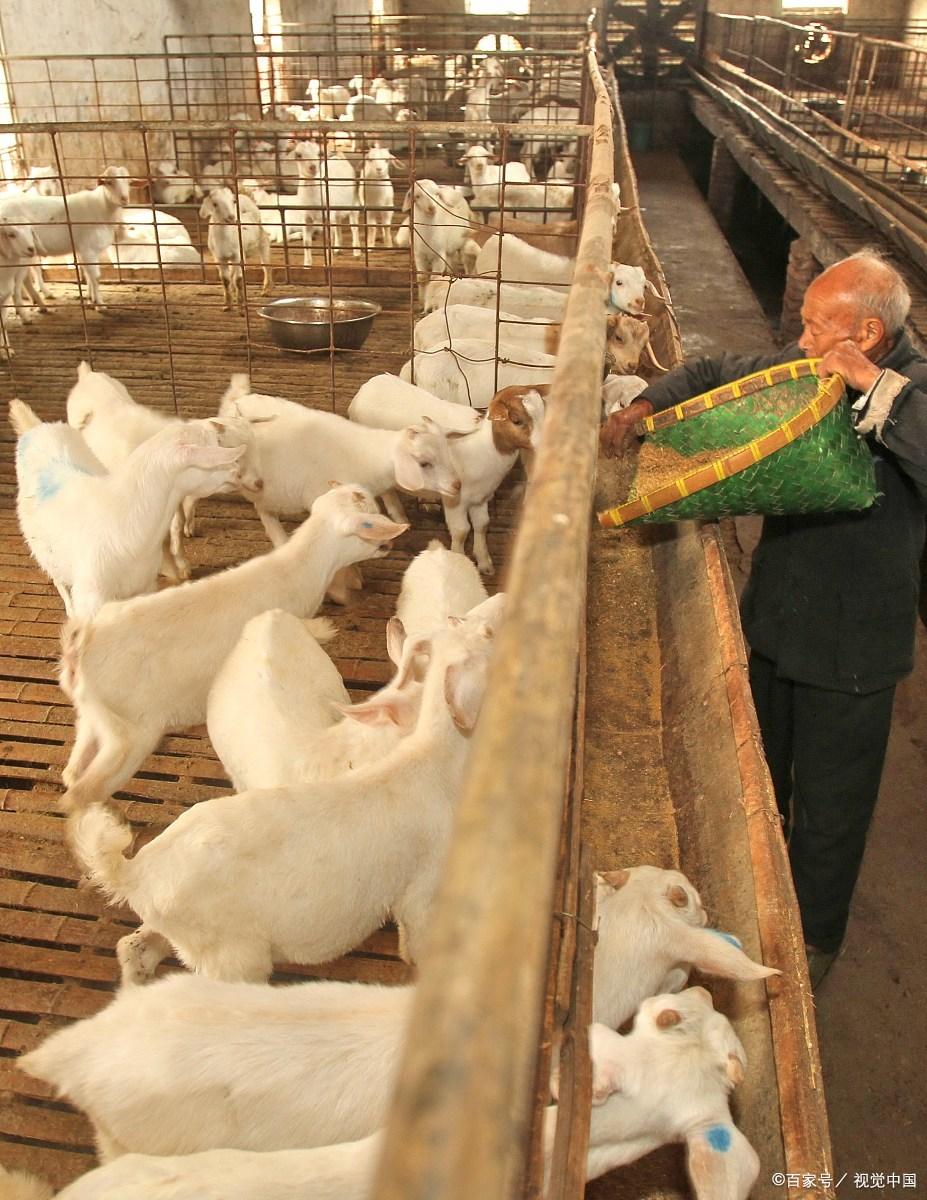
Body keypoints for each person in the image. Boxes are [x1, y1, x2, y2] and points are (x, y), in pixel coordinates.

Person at [600, 250, 927, 988]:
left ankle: (810, 946)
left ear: (867, 334)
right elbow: (716, 373)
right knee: (764, 778)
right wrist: (646, 402)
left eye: (816, 328)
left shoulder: (911, 388)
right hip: (777, 620)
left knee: (831, 810)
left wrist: (871, 387)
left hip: (852, 650)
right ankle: (758, 905)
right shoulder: (807, 365)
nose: (801, 340)